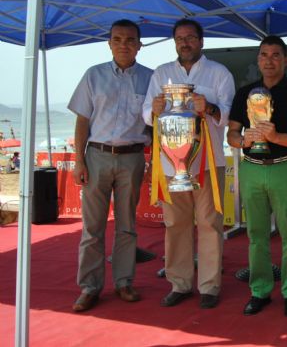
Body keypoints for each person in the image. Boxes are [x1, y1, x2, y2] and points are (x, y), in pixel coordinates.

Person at [143, 18, 234, 309]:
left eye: (191, 37)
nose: (185, 43)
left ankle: (210, 286)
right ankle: (179, 283)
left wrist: (209, 107)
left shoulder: (219, 73)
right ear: (175, 42)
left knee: (210, 224)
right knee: (175, 224)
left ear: (201, 41)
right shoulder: (161, 73)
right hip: (171, 165)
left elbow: (229, 115)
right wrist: (153, 110)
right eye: (180, 38)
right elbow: (146, 113)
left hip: (208, 163)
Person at [68, 19, 153, 312]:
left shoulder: (151, 79)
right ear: (109, 43)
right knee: (92, 227)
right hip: (97, 156)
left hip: (132, 158)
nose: (123, 45)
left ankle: (124, 282)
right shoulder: (93, 75)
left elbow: (155, 124)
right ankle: (89, 287)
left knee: (127, 225)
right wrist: (79, 160)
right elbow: (82, 120)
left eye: (130, 40)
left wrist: (154, 161)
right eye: (117, 39)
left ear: (140, 45)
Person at [227, 35, 287, 317]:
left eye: (276, 55)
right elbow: (232, 134)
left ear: (285, 60)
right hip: (251, 168)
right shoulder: (244, 93)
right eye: (264, 55)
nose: (269, 60)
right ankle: (260, 290)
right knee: (256, 234)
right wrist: (244, 141)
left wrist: (276, 137)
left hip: (285, 167)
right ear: (258, 59)